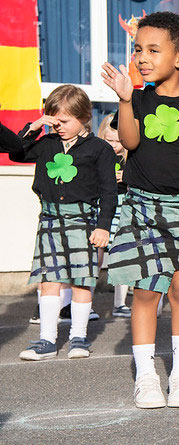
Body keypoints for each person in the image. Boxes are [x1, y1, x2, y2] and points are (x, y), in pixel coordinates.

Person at [101, 11, 179, 408]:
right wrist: (123, 98)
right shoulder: (136, 97)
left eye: (154, 49)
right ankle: (147, 377)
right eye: (138, 49)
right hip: (142, 204)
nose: (142, 57)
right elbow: (130, 141)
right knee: (145, 290)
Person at [12, 85, 117, 360]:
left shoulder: (99, 149)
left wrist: (103, 225)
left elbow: (109, 191)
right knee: (49, 280)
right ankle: (47, 340)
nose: (58, 127)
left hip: (83, 220)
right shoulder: (45, 143)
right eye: (54, 121)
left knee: (82, 281)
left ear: (83, 117)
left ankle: (78, 339)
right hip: (49, 219)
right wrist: (35, 127)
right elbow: (16, 152)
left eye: (65, 121)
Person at [97, 114, 132, 318]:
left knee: (122, 257)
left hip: (123, 208)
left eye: (118, 141)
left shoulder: (130, 159)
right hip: (102, 209)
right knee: (97, 256)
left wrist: (125, 178)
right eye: (109, 140)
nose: (114, 145)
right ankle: (86, 302)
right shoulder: (98, 156)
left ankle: (120, 304)